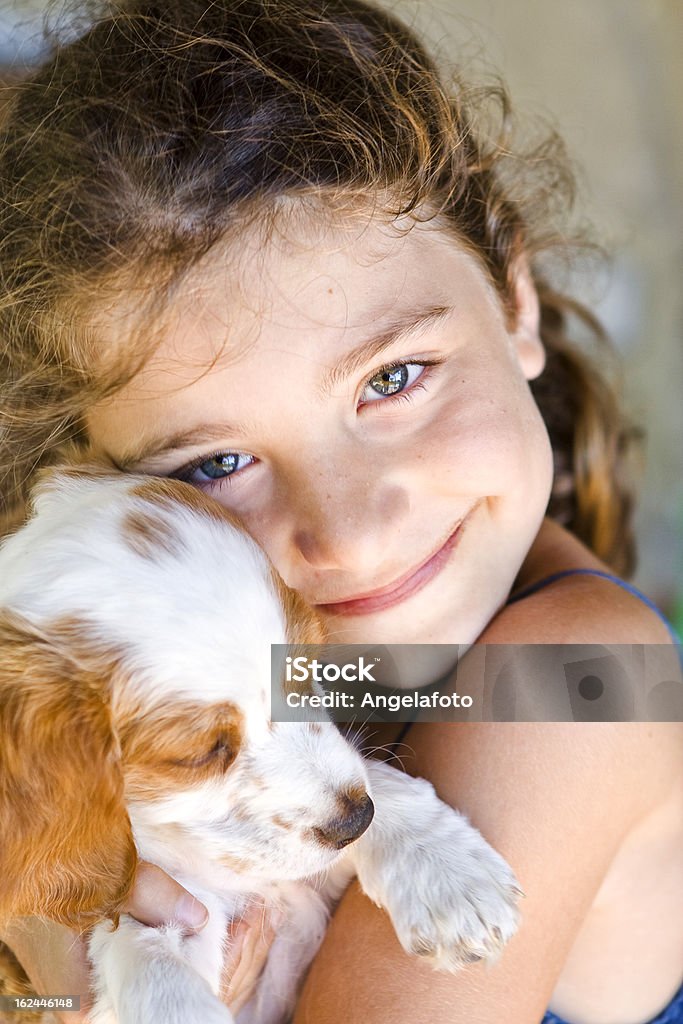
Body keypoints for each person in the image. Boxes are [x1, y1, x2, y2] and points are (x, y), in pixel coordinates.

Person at [0, 1, 681, 1022]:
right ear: (98, 491)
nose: (351, 529)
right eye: (216, 462)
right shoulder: (200, 674)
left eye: (394, 375)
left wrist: (57, 986)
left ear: (513, 298)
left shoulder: (577, 681)